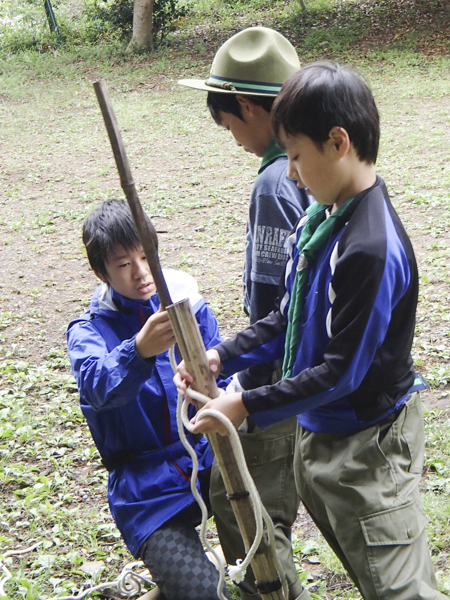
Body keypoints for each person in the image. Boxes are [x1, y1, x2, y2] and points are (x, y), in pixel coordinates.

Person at [176, 62, 447, 600]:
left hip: (366, 445)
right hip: (322, 434)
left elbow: (341, 372)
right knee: (368, 572)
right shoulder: (325, 216)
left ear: (338, 142)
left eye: (297, 156)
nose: (292, 173)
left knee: (400, 589)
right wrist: (222, 355)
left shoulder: (369, 247)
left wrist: (246, 405)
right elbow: (289, 315)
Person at [179, 27, 312, 600]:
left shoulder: (273, 186)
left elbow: (275, 307)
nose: (230, 134)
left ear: (252, 108)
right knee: (267, 513)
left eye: (228, 120)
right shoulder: (314, 172)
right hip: (302, 385)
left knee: (246, 518)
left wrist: (240, 379)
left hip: (271, 390)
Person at [66, 199, 229, 600]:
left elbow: (226, 364)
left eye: (146, 256)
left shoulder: (188, 304)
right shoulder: (88, 331)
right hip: (148, 491)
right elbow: (97, 387)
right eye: (123, 264)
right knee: (204, 595)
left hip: (212, 465)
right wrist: (138, 349)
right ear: (100, 271)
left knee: (268, 546)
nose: (140, 273)